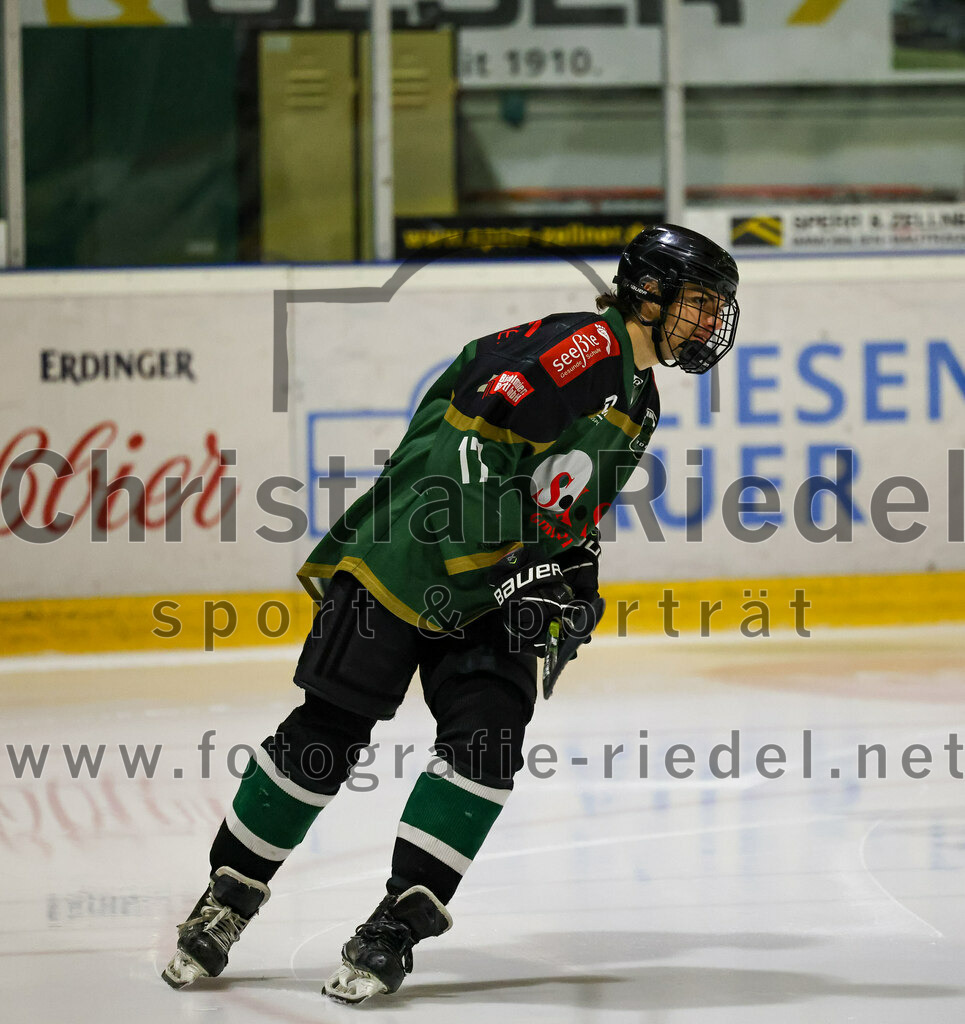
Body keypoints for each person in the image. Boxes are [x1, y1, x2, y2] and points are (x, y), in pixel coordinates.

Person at [161, 224, 740, 1003]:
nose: (707, 324)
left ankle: (396, 923)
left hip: (492, 582)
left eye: (714, 308)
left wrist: (573, 578)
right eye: (698, 304)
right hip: (409, 552)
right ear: (647, 294)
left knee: (487, 745)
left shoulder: (640, 402)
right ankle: (228, 896)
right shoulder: (582, 351)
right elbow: (466, 448)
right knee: (324, 737)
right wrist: (521, 565)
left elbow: (568, 507)